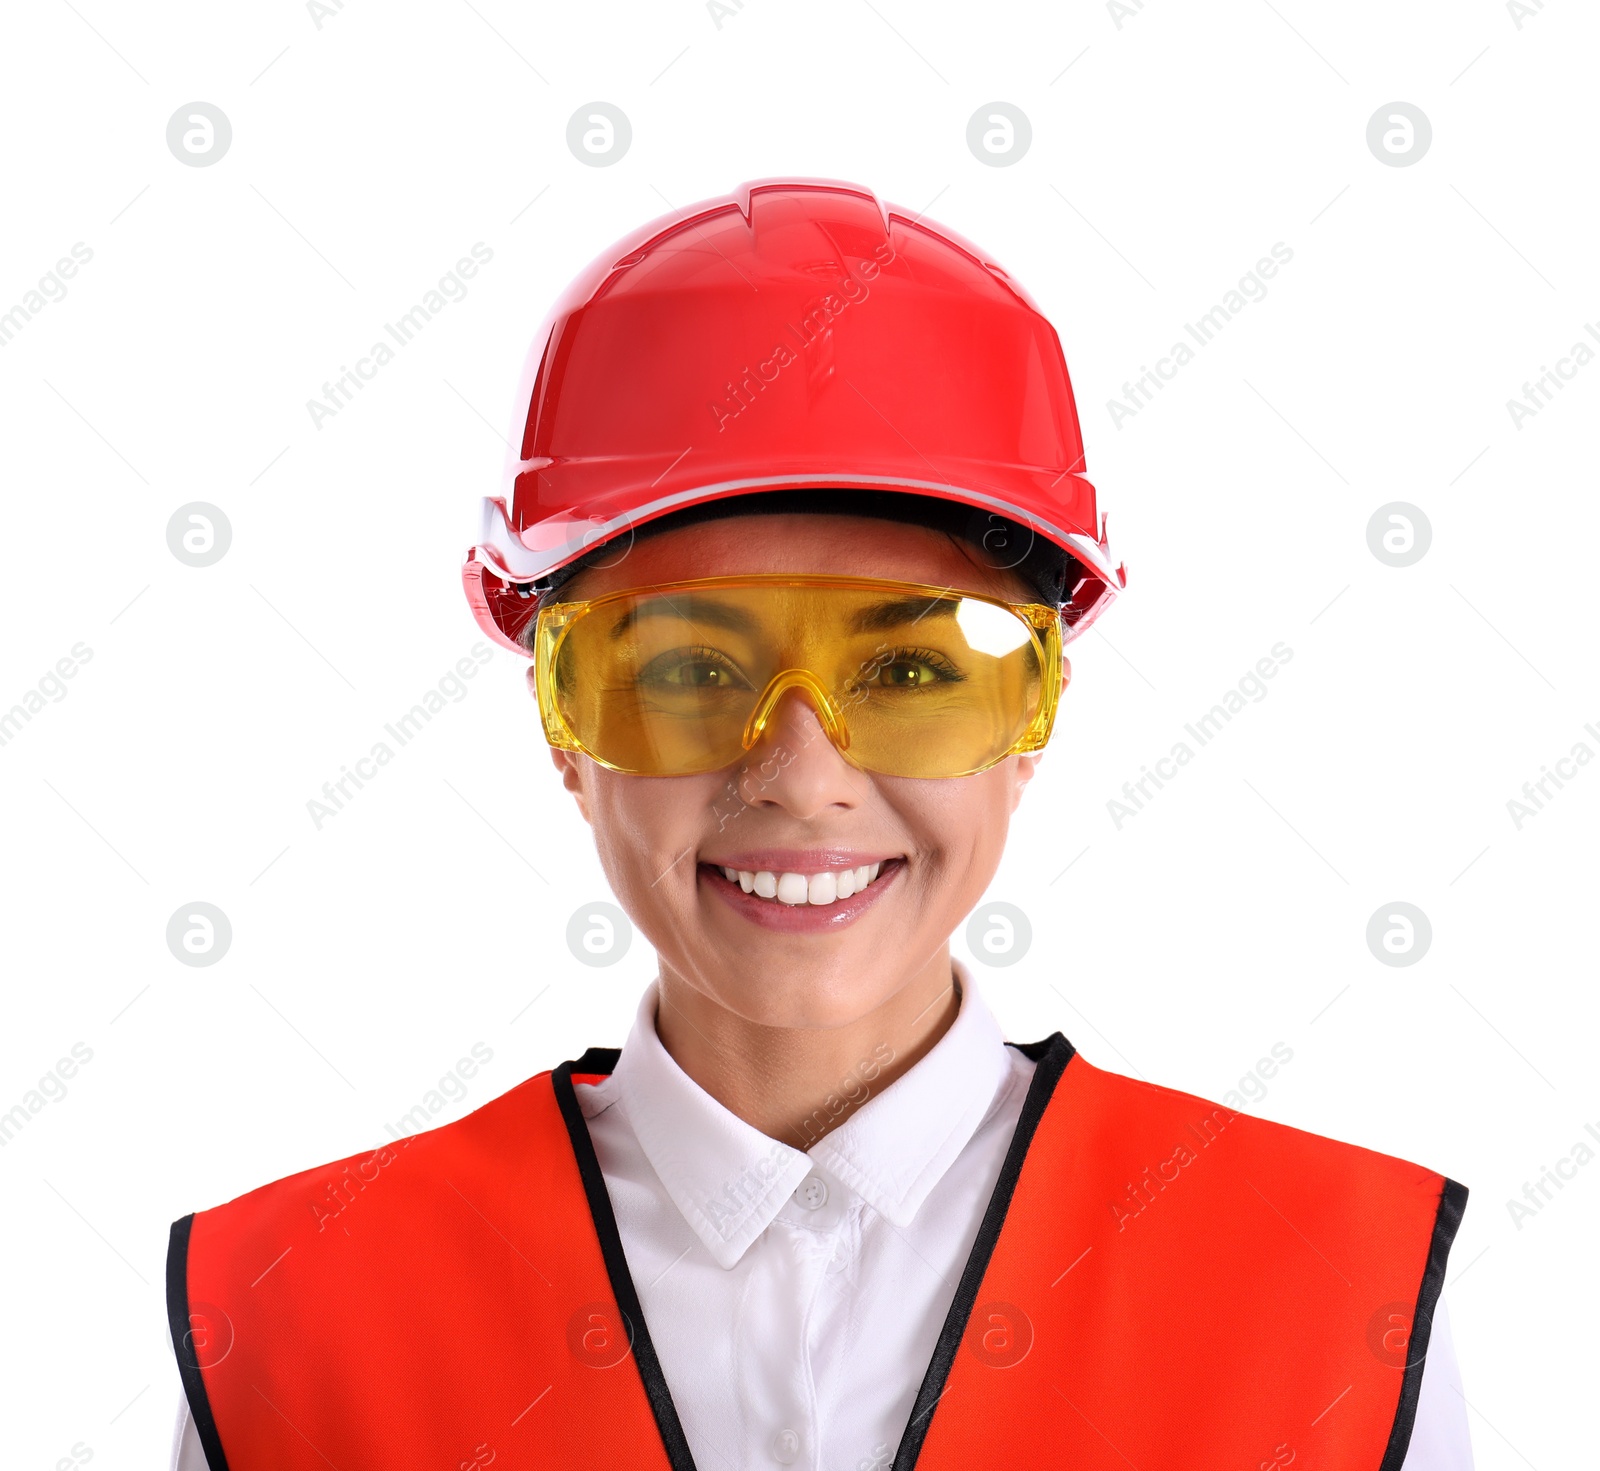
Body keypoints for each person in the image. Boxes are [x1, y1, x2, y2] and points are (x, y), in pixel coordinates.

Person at [167, 179, 1471, 1471]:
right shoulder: (293, 1318)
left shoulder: (1342, 1299)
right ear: (562, 729)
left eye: (909, 675)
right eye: (687, 670)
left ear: (1034, 721)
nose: (799, 777)